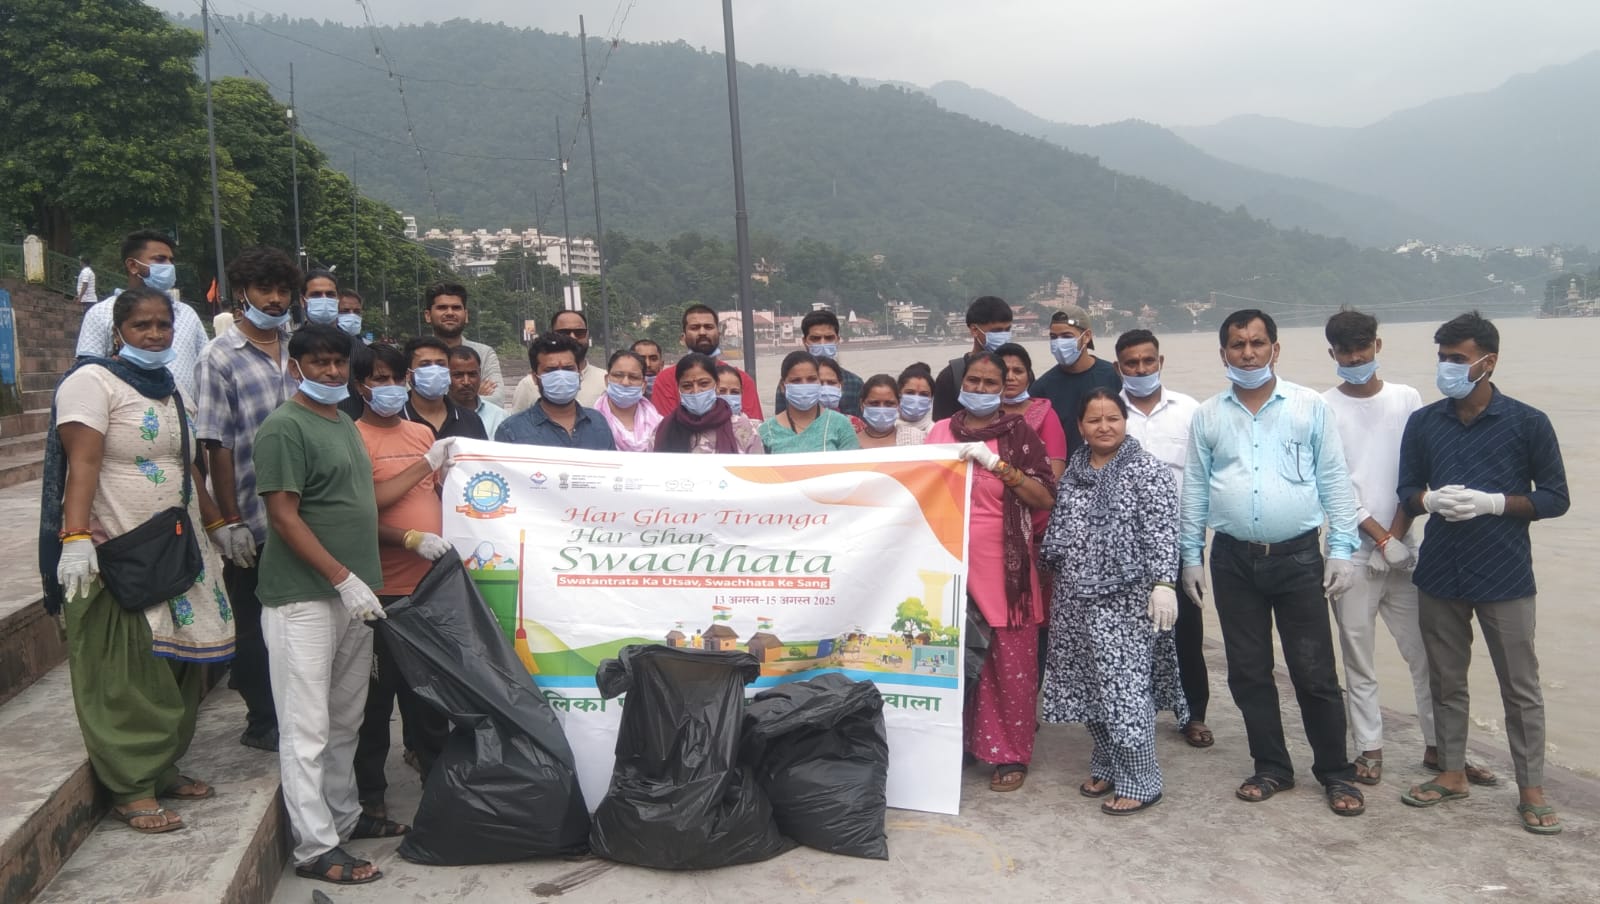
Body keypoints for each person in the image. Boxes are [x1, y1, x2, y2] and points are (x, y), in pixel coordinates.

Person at [45, 287, 235, 834]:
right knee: (128, 670)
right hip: (119, 547)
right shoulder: (91, 383)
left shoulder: (171, 386)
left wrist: (218, 524)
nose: (154, 335)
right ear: (118, 332)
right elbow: (82, 464)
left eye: (162, 325)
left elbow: (186, 465)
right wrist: (76, 538)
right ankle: (132, 785)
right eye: (141, 326)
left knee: (179, 660)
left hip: (177, 546)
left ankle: (162, 766)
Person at [1180, 309, 1365, 817]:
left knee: (1315, 672)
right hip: (1233, 560)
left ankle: (1336, 772)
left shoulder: (1309, 407)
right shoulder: (1208, 415)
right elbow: (1195, 488)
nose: (1248, 353)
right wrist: (1191, 556)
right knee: (1248, 670)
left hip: (1299, 558)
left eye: (1257, 343)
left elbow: (1334, 478)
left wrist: (1342, 549)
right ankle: (1271, 767)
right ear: (1224, 354)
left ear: (1275, 349)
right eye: (1237, 345)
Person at [1397, 312, 1569, 835]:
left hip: (1505, 573)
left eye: (1458, 358)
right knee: (1446, 679)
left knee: (1520, 686)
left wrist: (1496, 502)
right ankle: (1451, 773)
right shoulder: (1424, 423)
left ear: (1487, 362)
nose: (1447, 367)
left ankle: (1531, 789)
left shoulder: (1528, 422)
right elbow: (1407, 490)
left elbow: (1556, 498)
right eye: (1442, 357)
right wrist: (1429, 500)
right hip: (1440, 571)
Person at [255, 323, 405, 885]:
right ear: (296, 367)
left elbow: (361, 501)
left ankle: (344, 816)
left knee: (345, 718)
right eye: (319, 363)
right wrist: (341, 577)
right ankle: (315, 847)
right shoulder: (284, 428)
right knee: (307, 727)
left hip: (353, 598)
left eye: (339, 362)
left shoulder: (341, 422)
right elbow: (283, 515)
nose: (332, 372)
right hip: (305, 598)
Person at [1040, 389, 1186, 814]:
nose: (1104, 427)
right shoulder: (1075, 472)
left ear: (1125, 422)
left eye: (1112, 418)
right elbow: (1062, 527)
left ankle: (1141, 780)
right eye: (1094, 420)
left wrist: (1164, 583)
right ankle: (1107, 762)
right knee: (1088, 684)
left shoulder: (1148, 471)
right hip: (1074, 600)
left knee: (1125, 689)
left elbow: (1163, 531)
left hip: (1125, 602)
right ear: (1080, 427)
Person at [1320, 310, 1447, 788]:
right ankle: (1369, 748)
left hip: (1405, 548)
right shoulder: (1322, 407)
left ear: (1378, 345)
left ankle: (1440, 747)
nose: (1356, 359)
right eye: (1346, 352)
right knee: (1358, 656)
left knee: (1426, 653)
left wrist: (1395, 538)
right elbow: (1331, 484)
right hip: (1350, 553)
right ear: (1332, 353)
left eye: (1362, 349)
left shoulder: (1407, 398)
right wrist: (1377, 538)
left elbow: (1416, 473)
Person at [926, 351, 1056, 790]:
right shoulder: (939, 432)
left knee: (1007, 663)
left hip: (1005, 568)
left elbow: (1045, 497)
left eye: (989, 383)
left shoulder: (1019, 434)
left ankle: (1009, 754)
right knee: (951, 659)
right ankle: (959, 744)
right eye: (973, 381)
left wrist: (997, 465)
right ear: (961, 385)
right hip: (948, 562)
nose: (979, 389)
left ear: (1004, 389)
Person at [196, 245, 301, 751]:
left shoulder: (297, 350)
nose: (275, 299)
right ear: (242, 293)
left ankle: (296, 710)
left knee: (298, 619)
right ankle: (262, 720)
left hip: (305, 512)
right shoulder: (219, 357)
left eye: (282, 290)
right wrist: (230, 519)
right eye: (265, 290)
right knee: (255, 622)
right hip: (253, 512)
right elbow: (216, 443)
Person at [350, 343, 456, 827]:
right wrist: (411, 537)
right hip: (381, 589)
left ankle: (439, 791)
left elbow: (437, 494)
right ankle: (370, 799)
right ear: (360, 386)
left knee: (428, 700)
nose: (390, 387)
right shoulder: (354, 438)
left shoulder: (421, 433)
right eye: (379, 379)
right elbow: (363, 510)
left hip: (427, 588)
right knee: (376, 701)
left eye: (396, 378)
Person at [1115, 329, 1212, 749]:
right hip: (1122, 546)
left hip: (1178, 541)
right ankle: (1132, 715)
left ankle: (1194, 715)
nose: (1141, 369)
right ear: (1119, 367)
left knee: (1186, 631)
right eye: (1131, 363)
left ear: (1160, 362)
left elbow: (1201, 480)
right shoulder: (1108, 412)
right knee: (1127, 635)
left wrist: (1193, 551)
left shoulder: (1190, 411)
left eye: (1147, 361)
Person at [77, 230, 209, 407]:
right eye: (160, 259)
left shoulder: (187, 314)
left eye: (171, 260)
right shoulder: (101, 313)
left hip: (183, 417)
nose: (169, 266)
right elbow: (86, 376)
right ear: (133, 266)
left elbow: (206, 369)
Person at [495, 333, 616, 451]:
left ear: (579, 373)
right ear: (535, 377)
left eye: (568, 369)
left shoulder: (598, 423)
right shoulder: (512, 431)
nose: (561, 376)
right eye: (551, 370)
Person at [1029, 306, 1122, 455]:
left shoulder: (1113, 376)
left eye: (1067, 336)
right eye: (1053, 337)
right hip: (1064, 467)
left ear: (1086, 336)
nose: (1059, 343)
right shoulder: (1041, 388)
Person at [651, 304, 763, 419]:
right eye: (695, 328)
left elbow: (754, 426)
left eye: (708, 327)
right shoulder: (666, 380)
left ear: (719, 334)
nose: (702, 332)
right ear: (683, 338)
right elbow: (667, 426)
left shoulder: (741, 379)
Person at [653, 353, 764, 454]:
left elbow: (757, 467)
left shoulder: (742, 427)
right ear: (678, 388)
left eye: (704, 384)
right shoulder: (664, 428)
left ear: (716, 384)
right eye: (687, 386)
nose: (696, 391)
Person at [758, 351, 859, 453]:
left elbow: (853, 461)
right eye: (796, 380)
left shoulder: (840, 424)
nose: (804, 385)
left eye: (811, 379)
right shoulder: (767, 430)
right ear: (783, 386)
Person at [422, 282, 503, 407]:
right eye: (442, 307)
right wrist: (473, 397)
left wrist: (436, 401)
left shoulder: (484, 354)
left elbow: (497, 400)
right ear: (428, 315)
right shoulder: (418, 357)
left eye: (456, 308)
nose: (450, 313)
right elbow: (411, 401)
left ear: (466, 315)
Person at [932, 296, 1012, 420]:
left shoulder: (1018, 373)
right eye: (997, 331)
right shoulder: (951, 376)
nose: (1004, 336)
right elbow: (941, 425)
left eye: (1007, 330)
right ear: (974, 330)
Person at [510, 310, 608, 411]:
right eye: (564, 333)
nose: (573, 337)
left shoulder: (606, 381)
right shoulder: (528, 384)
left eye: (579, 333)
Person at [772, 309, 863, 416]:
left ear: (837, 340)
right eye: (815, 338)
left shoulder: (854, 383)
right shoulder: (791, 383)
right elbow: (781, 420)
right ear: (805, 341)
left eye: (829, 338)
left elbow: (859, 423)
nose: (822, 343)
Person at [997, 343, 1067, 480]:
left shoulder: (1044, 414)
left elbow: (1055, 472)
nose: (1010, 377)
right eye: (1004, 371)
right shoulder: (983, 413)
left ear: (1029, 376)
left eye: (1018, 371)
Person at [401, 337, 487, 441]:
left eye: (441, 364)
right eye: (425, 365)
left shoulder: (470, 420)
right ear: (408, 374)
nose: (435, 371)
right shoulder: (395, 420)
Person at [595, 349, 662, 451]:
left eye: (633, 377)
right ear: (607, 380)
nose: (625, 382)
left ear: (643, 385)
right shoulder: (592, 423)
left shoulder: (659, 425)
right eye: (618, 375)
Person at [447, 345, 507, 439]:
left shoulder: (500, 417)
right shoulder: (438, 416)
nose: (466, 382)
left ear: (479, 373)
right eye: (458, 375)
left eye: (472, 374)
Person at [856, 374, 927, 448]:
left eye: (889, 403)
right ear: (862, 405)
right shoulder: (851, 444)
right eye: (874, 403)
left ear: (898, 405)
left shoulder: (917, 439)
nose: (882, 410)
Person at [897, 363, 936, 433]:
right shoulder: (883, 430)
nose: (916, 399)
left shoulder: (937, 432)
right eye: (910, 393)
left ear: (931, 399)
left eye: (924, 394)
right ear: (898, 394)